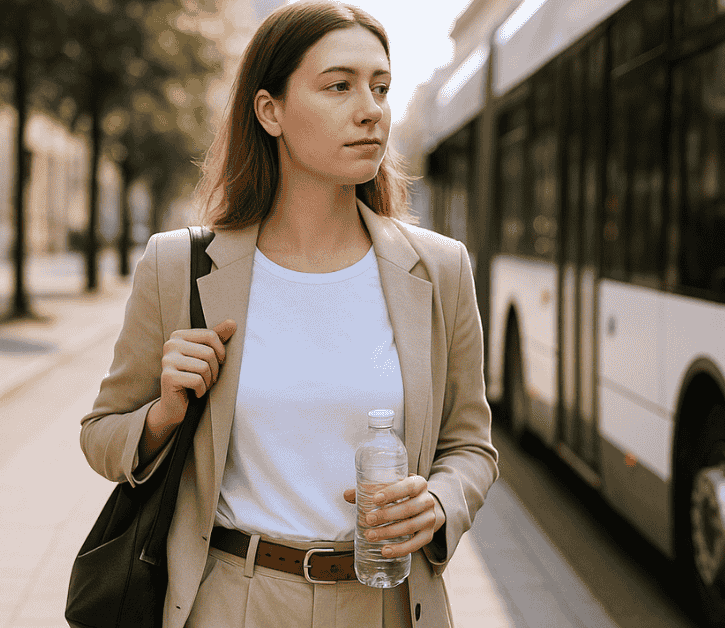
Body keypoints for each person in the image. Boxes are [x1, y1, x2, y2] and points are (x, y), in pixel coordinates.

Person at [78, 2, 498, 627]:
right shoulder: (178, 266)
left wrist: (438, 503)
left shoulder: (439, 269)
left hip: (383, 601)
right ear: (269, 111)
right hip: (231, 599)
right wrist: (164, 415)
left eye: (381, 88)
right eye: (339, 86)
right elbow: (100, 435)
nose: (370, 110)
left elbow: (470, 446)